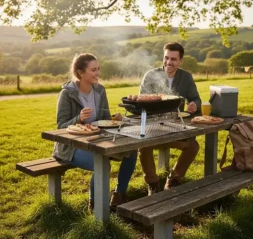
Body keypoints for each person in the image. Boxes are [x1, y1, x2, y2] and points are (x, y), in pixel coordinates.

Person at [52, 53, 137, 210]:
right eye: (93, 70)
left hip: (98, 140)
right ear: (80, 72)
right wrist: (79, 118)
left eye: (98, 69)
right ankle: (95, 205)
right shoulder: (67, 94)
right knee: (102, 163)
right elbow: (61, 127)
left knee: (131, 152)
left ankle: (119, 195)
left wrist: (115, 118)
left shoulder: (99, 90)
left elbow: (104, 118)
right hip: (71, 147)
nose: (98, 73)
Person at [139, 42, 201, 195]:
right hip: (152, 127)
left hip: (175, 128)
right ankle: (153, 183)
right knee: (143, 144)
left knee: (193, 146)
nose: (168, 62)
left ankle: (173, 179)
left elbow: (196, 99)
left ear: (180, 61)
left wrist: (194, 105)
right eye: (166, 58)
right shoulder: (151, 75)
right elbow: (141, 100)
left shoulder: (186, 77)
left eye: (173, 59)